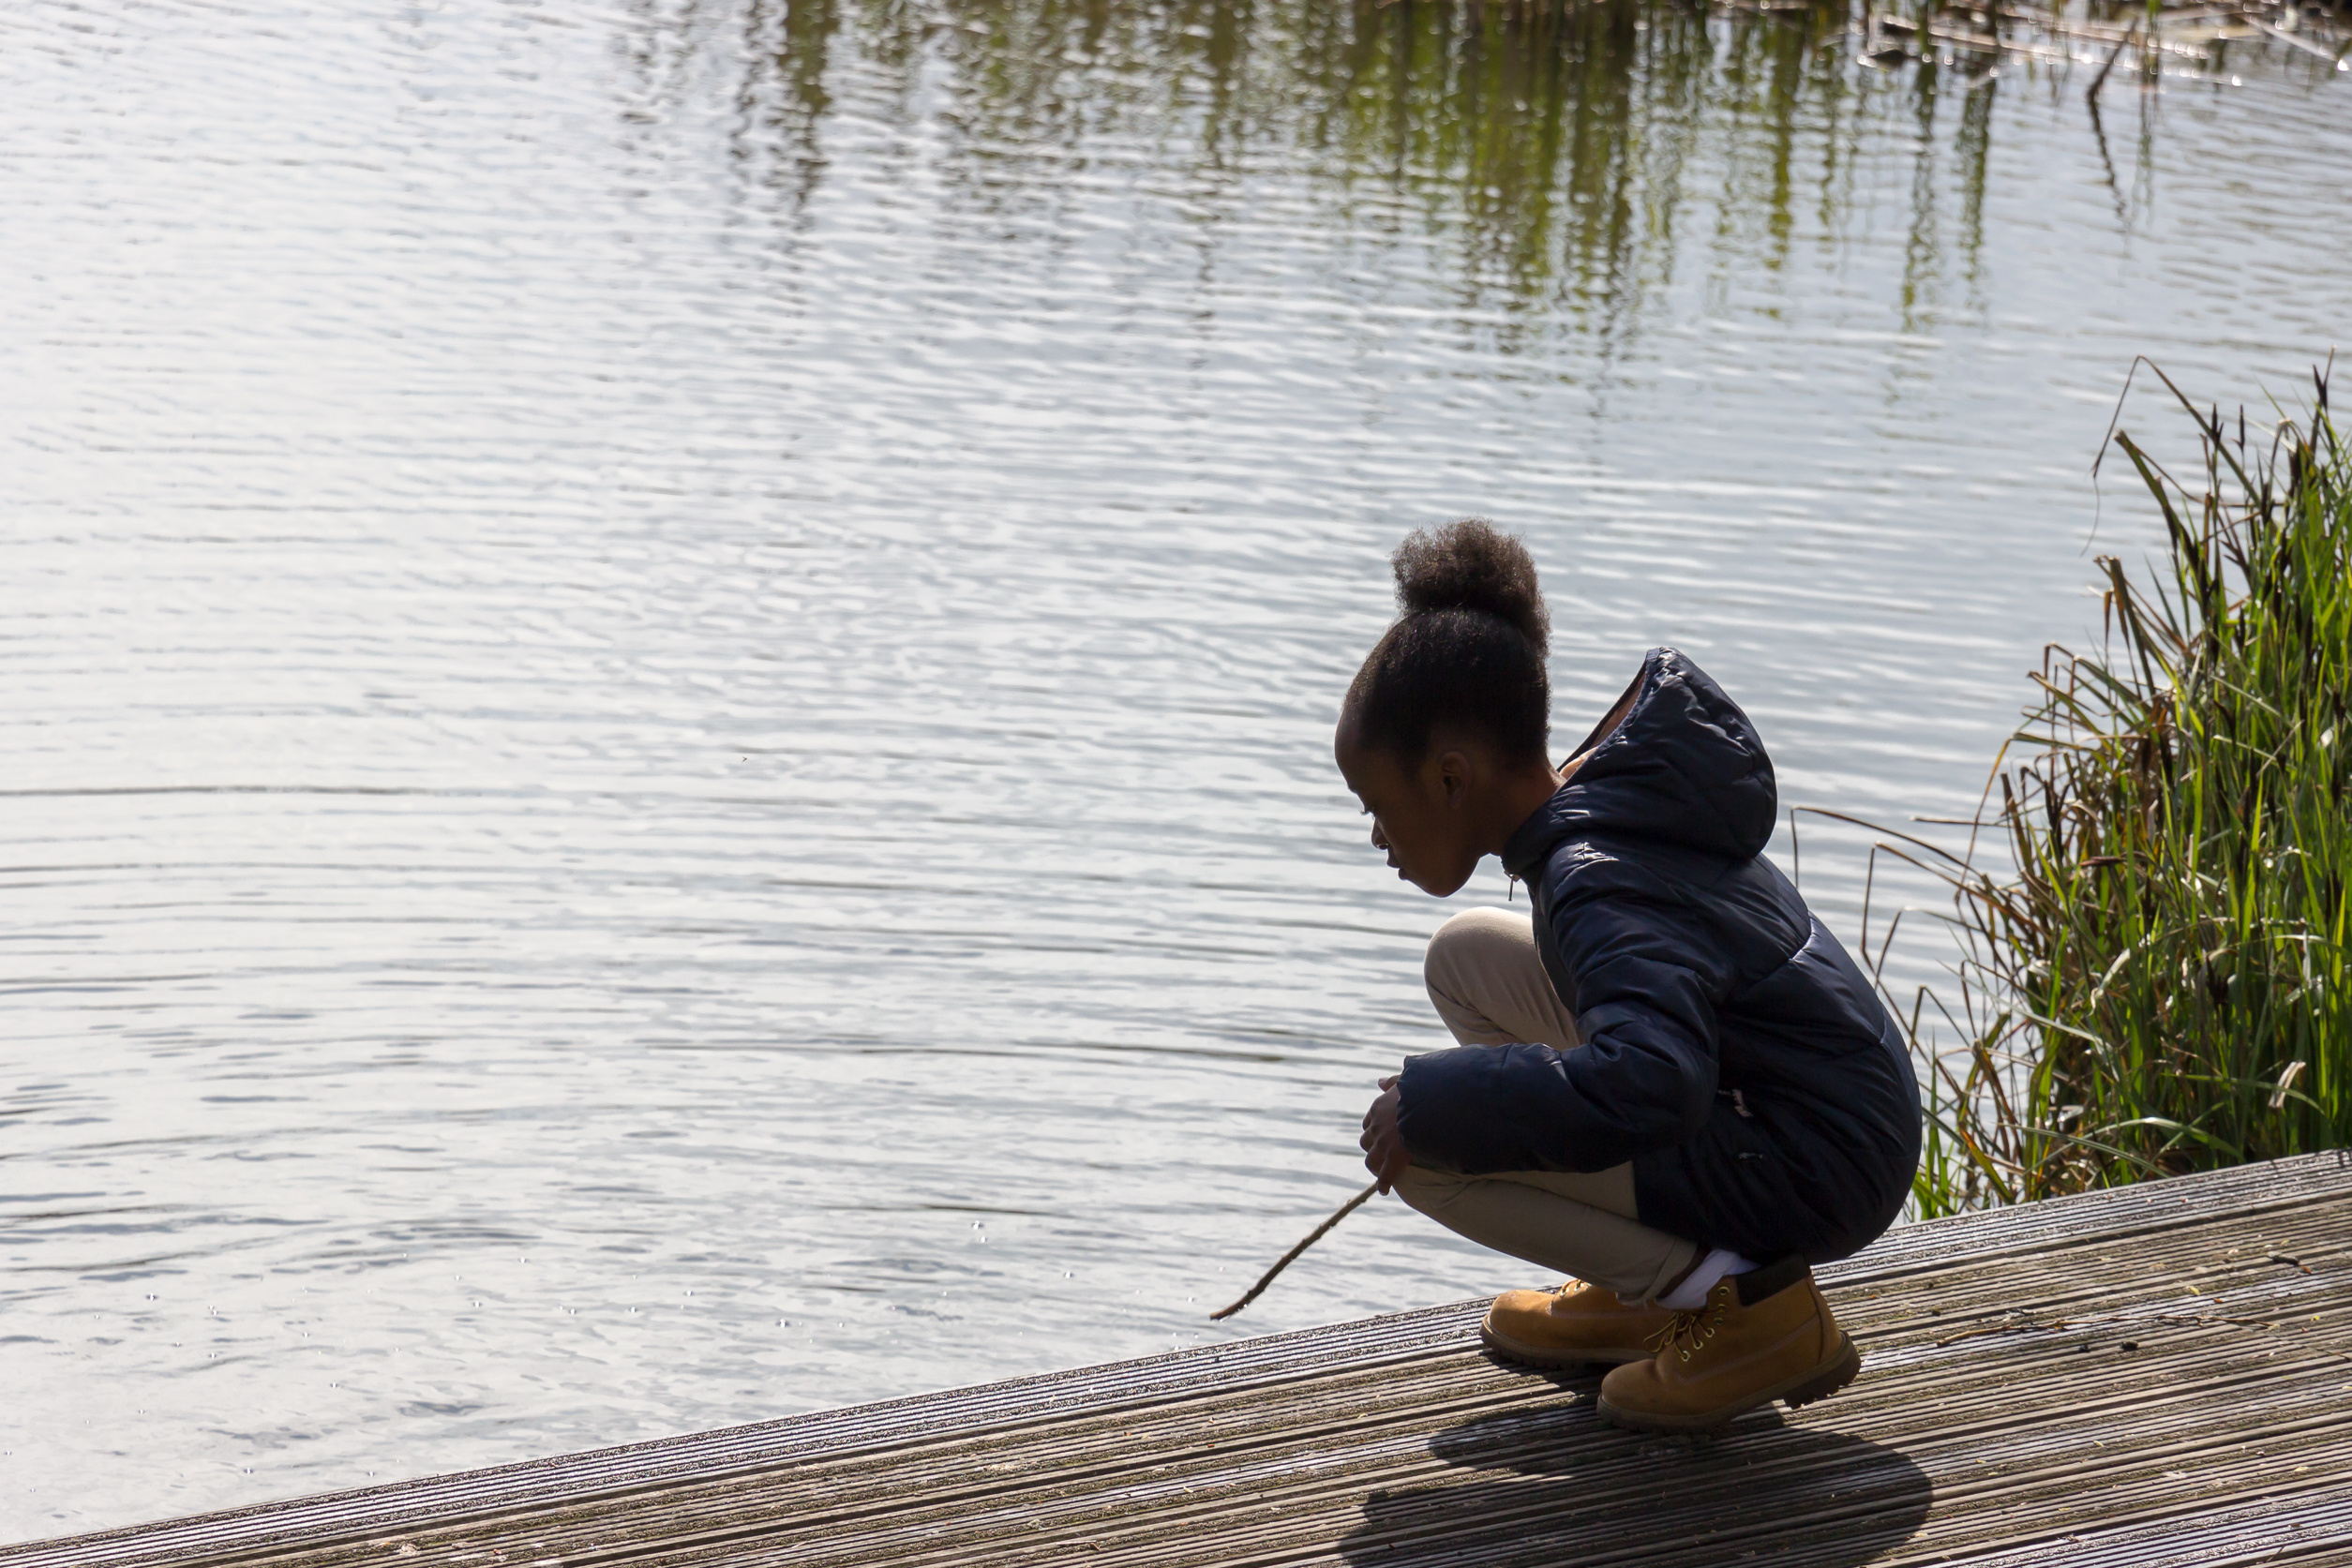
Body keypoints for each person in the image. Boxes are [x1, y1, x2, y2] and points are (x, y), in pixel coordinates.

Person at [1338, 518, 1922, 1433]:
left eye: (1377, 806)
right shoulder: (1592, 812)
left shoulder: (1593, 884)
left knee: (1428, 1155)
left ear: (1451, 778)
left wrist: (1433, 1103)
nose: (1376, 835)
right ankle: (1648, 1280)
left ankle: (1734, 1306)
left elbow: (1653, 1082)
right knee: (1463, 960)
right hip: (1804, 1108)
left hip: (1818, 1157)